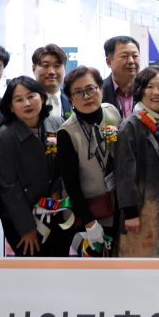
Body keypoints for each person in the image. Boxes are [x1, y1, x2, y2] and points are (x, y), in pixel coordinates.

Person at [0, 76, 69, 257]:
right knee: (33, 267)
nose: (27, 103)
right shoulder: (2, 138)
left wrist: (57, 191)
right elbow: (9, 188)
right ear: (11, 106)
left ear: (42, 97)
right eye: (19, 99)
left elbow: (62, 166)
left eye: (31, 96)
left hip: (56, 211)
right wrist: (27, 228)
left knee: (60, 265)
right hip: (23, 219)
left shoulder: (56, 123)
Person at [113, 67, 159, 257]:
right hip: (142, 209)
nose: (156, 92)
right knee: (142, 262)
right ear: (140, 90)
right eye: (150, 86)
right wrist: (130, 213)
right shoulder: (131, 125)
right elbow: (124, 173)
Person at [56, 66, 122, 255]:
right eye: (78, 92)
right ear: (71, 99)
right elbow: (70, 183)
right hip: (90, 210)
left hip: (117, 204)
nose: (86, 96)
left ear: (100, 89)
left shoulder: (112, 112)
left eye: (91, 89)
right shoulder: (67, 132)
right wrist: (89, 222)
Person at [102, 35, 141, 119]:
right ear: (109, 62)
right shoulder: (99, 92)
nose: (131, 61)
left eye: (135, 56)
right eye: (124, 56)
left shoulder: (146, 90)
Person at [32, 43, 71, 121]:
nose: (51, 72)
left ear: (64, 69)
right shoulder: (27, 101)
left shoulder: (73, 100)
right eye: (45, 66)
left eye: (57, 66)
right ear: (34, 69)